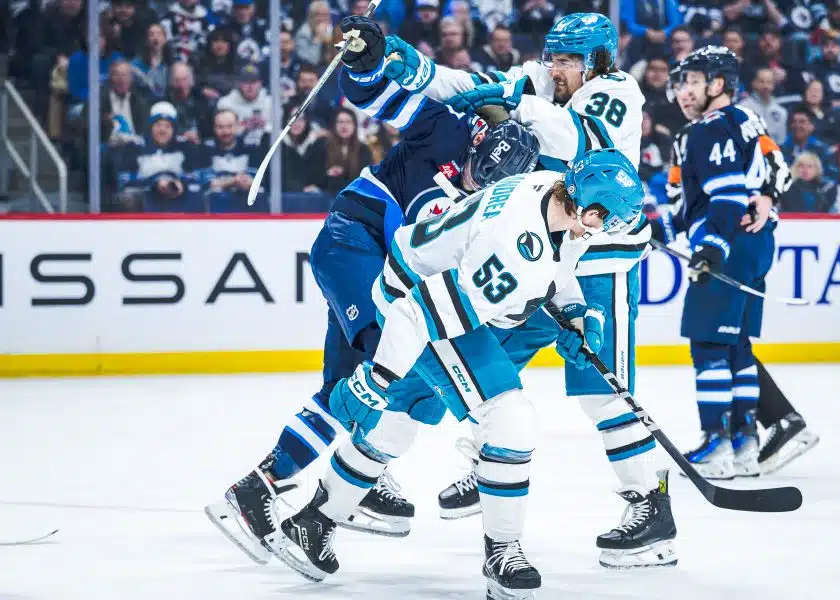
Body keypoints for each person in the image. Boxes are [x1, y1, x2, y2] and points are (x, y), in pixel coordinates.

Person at [204, 15, 542, 561]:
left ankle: (256, 490)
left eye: (489, 183)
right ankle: (354, 475)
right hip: (353, 241)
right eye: (477, 171)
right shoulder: (446, 127)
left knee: (345, 387)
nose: (475, 183)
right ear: (477, 139)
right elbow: (371, 93)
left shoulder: (494, 203)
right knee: (385, 368)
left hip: (380, 268)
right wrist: (365, 61)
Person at [273, 149, 647, 600]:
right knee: (510, 417)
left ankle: (314, 522)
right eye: (605, 220)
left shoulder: (553, 190)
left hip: (428, 281)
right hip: (415, 298)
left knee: (399, 420)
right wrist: (375, 380)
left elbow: (558, 263)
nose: (602, 229)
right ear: (589, 206)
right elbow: (416, 313)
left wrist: (576, 313)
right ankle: (502, 551)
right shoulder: (515, 251)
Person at [382, 14, 683, 570]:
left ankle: (651, 507)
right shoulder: (541, 82)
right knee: (472, 368)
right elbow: (472, 86)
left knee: (602, 389)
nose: (555, 69)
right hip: (537, 258)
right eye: (552, 58)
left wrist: (513, 103)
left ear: (595, 62)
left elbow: (575, 139)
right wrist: (413, 69)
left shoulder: (618, 90)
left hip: (599, 266)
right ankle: (480, 461)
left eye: (567, 61)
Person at [671, 46, 778, 480]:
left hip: (729, 243)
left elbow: (728, 194)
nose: (684, 90)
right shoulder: (746, 120)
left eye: (694, 81)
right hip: (757, 243)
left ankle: (716, 443)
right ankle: (744, 443)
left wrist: (712, 245)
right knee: (737, 345)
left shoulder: (709, 128)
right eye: (683, 82)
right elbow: (777, 172)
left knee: (708, 344)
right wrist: (768, 198)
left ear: (718, 84)